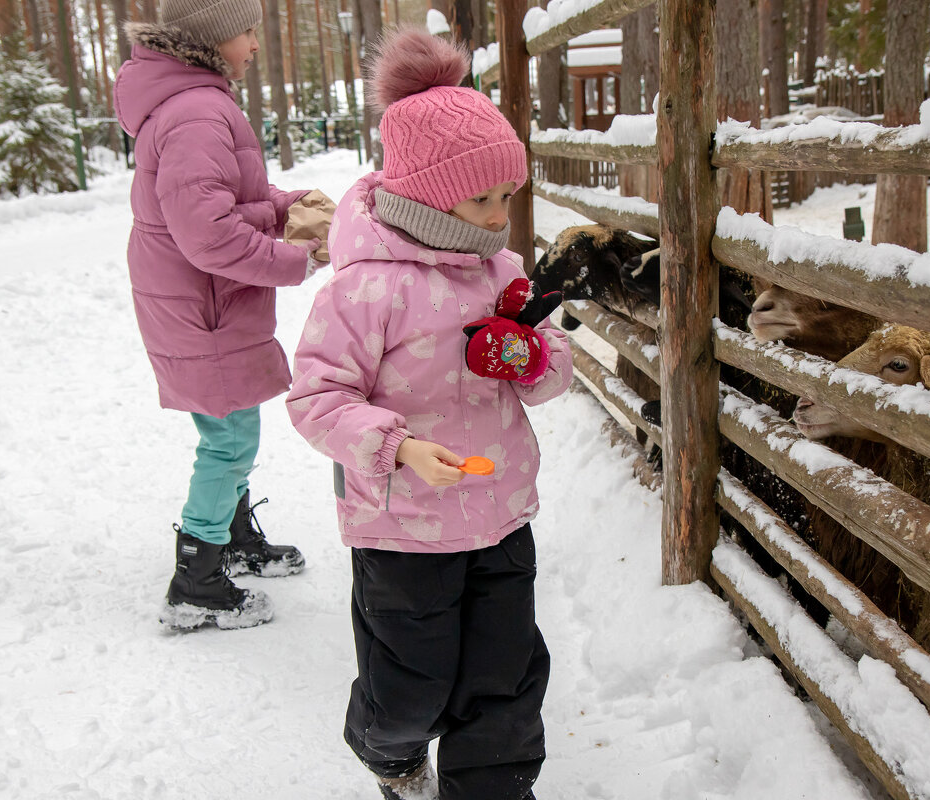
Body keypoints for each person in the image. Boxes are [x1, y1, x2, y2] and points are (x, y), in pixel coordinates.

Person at [285, 27, 573, 800]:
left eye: (506, 196)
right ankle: (389, 750)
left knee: (505, 677)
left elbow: (553, 372)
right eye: (481, 198)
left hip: (501, 509)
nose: (496, 215)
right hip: (403, 525)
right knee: (411, 685)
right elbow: (315, 399)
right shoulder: (363, 289)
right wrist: (397, 445)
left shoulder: (501, 272)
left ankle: (494, 786)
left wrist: (531, 357)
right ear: (424, 193)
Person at [113, 0, 334, 631]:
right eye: (245, 33)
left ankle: (231, 540)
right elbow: (207, 234)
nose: (254, 46)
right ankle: (198, 579)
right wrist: (293, 259)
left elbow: (226, 197)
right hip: (202, 305)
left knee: (230, 430)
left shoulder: (196, 103)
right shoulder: (197, 113)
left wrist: (288, 205)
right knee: (230, 438)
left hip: (203, 301)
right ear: (210, 41)